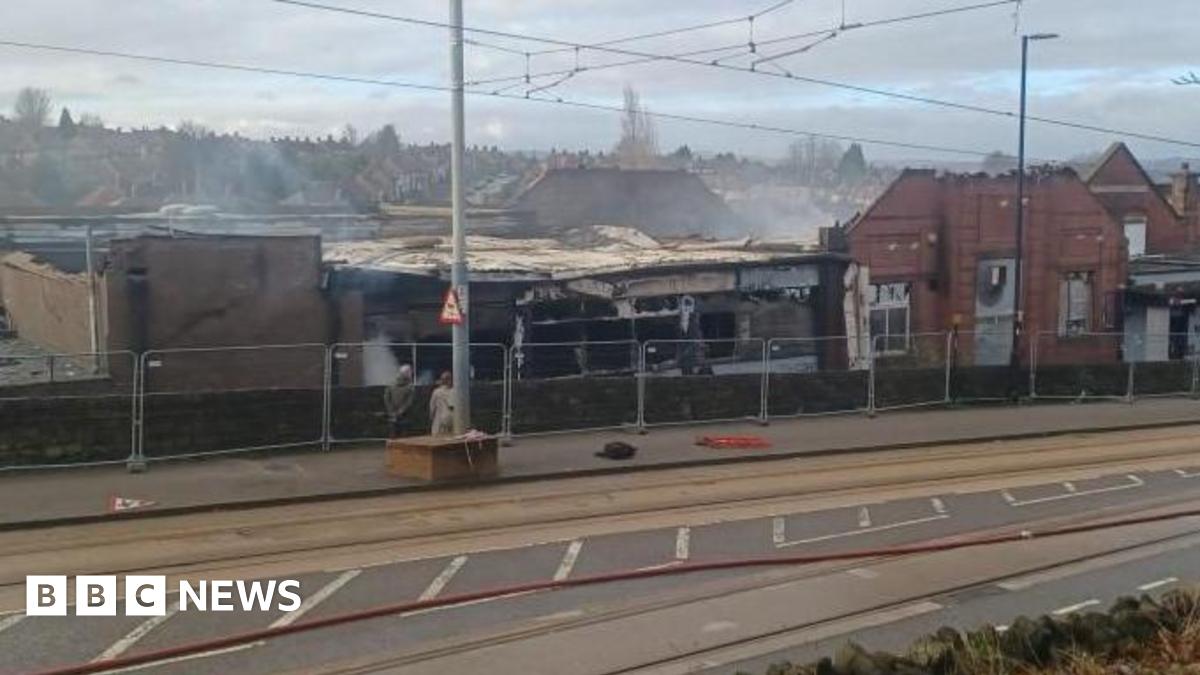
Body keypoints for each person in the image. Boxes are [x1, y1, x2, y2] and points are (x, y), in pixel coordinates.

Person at [383, 364, 414, 437]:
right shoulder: (410, 387)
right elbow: (409, 403)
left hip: (392, 416)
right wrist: (400, 412)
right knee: (404, 440)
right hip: (405, 417)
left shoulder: (390, 385)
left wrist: (391, 412)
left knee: (393, 438)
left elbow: (386, 399)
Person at [429, 371, 455, 436]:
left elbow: (432, 407)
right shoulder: (455, 391)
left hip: (439, 420)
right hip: (452, 420)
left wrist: (431, 417)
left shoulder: (436, 392)